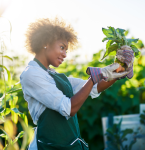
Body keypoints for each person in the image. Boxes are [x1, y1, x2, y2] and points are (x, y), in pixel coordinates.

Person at [20, 17, 134, 150]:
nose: (64, 54)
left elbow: (94, 87)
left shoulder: (54, 76)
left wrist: (119, 70)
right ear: (46, 43)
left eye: (66, 50)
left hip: (68, 145)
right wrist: (94, 78)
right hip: (48, 146)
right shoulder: (32, 75)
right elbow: (69, 108)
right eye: (62, 48)